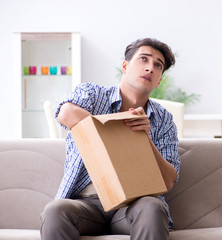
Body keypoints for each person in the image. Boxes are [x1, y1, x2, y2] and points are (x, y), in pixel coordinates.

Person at [40, 38, 180, 240]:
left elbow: (168, 182)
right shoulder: (93, 94)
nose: (150, 68)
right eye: (143, 59)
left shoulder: (164, 119)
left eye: (158, 65)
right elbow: (66, 113)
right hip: (85, 205)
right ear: (125, 66)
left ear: (159, 80)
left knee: (152, 206)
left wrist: (145, 139)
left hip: (133, 206)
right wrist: (119, 128)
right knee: (55, 210)